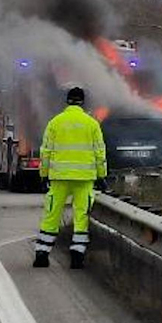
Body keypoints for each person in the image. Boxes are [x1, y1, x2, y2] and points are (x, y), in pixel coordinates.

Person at [34, 87, 107, 270]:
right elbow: (100, 153)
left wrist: (44, 174)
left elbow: (46, 152)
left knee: (52, 215)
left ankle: (42, 254)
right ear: (83, 102)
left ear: (67, 101)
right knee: (81, 216)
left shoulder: (55, 122)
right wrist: (101, 176)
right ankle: (77, 257)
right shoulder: (92, 124)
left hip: (59, 177)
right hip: (84, 179)